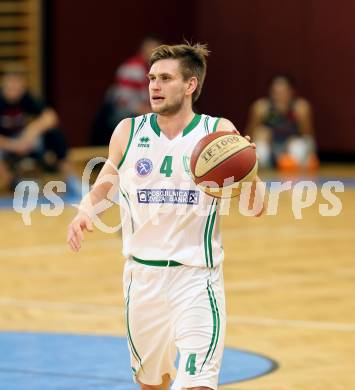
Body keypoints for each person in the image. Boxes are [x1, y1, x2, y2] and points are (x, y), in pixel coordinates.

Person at [68, 43, 263, 390]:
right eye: (152, 78)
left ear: (190, 86)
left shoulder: (218, 133)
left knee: (198, 384)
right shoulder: (128, 132)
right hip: (142, 279)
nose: (154, 86)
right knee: (151, 383)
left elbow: (255, 207)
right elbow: (105, 185)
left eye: (166, 78)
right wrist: (85, 211)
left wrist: (250, 172)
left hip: (197, 280)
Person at [0, 66, 78, 192]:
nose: (14, 87)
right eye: (11, 82)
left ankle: (72, 180)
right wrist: (15, 145)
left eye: (18, 83)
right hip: (6, 145)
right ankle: (11, 183)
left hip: (24, 141)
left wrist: (30, 133)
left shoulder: (27, 98)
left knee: (54, 135)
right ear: (4, 83)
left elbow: (51, 117)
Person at [91, 36, 161, 145]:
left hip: (144, 113)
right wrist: (154, 113)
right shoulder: (133, 68)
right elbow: (125, 101)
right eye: (152, 49)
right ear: (143, 50)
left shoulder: (154, 69)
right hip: (123, 114)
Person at [246, 74, 319, 170]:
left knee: (297, 149)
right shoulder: (261, 108)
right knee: (261, 151)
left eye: (283, 91)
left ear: (291, 92)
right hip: (270, 148)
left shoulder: (301, 108)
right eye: (276, 92)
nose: (279, 95)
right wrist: (260, 134)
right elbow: (248, 137)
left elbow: (308, 137)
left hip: (290, 150)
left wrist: (311, 155)